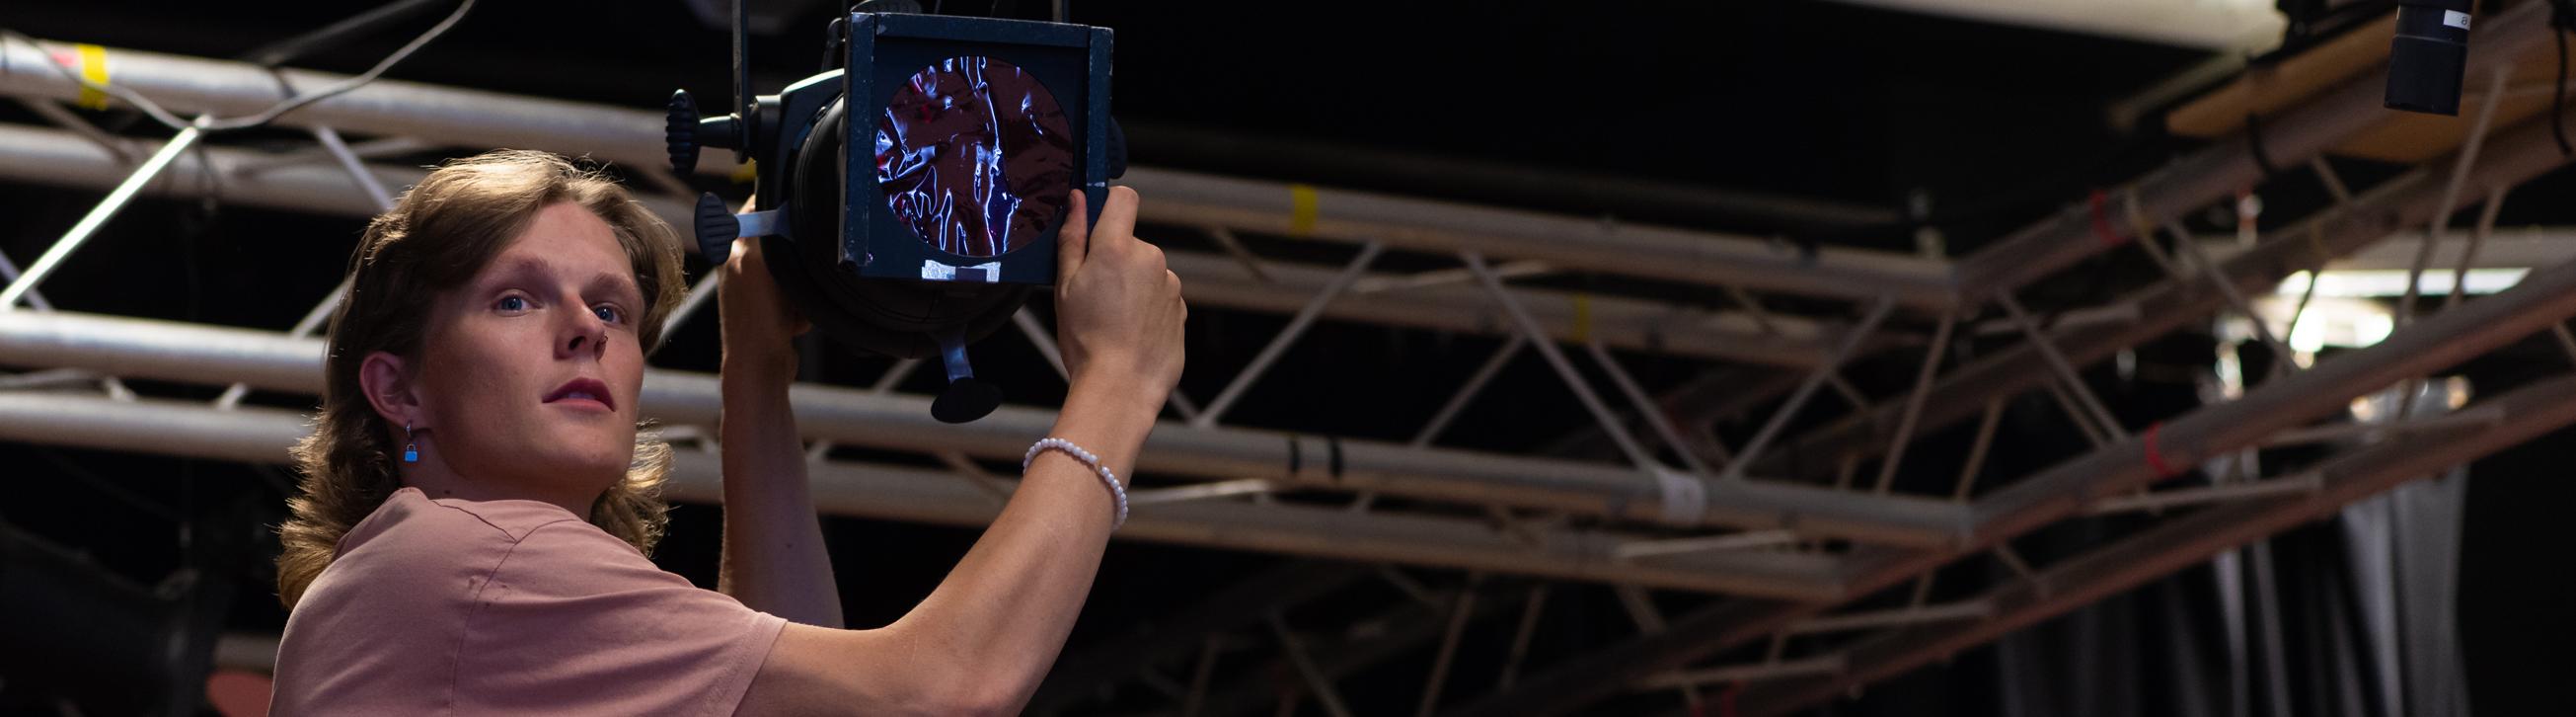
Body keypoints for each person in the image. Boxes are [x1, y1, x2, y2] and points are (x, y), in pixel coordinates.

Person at [266, 150, 1185, 715]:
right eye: (515, 299)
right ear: (399, 388)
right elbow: (938, 692)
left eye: (614, 311)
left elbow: (803, 705)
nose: (587, 328)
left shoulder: (469, 590)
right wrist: (1118, 381)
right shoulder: (463, 561)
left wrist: (757, 371)